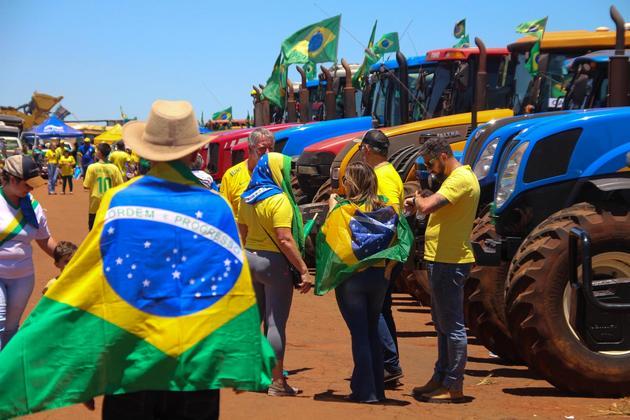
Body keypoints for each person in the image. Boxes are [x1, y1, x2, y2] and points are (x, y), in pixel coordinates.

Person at [404, 137, 479, 403]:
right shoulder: (454, 179)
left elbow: (426, 206)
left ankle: (453, 383)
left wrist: (417, 199)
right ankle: (441, 377)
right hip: (442, 259)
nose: (431, 169)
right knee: (442, 324)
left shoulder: (460, 179)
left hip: (450, 260)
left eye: (431, 163)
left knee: (452, 326)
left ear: (444, 155)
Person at [238, 152, 312, 397]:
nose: (291, 177)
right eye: (287, 171)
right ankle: (277, 382)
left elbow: (243, 232)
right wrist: (303, 269)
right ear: (275, 172)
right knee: (275, 323)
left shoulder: (246, 197)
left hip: (250, 259)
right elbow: (285, 239)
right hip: (273, 264)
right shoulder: (278, 200)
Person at [325, 162, 396, 403]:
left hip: (352, 278)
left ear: (351, 183)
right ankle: (376, 388)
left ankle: (365, 392)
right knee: (372, 330)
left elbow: (330, 235)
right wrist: (389, 269)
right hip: (378, 276)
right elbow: (401, 239)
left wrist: (333, 202)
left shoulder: (344, 208)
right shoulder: (384, 207)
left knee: (360, 334)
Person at [357, 129, 405, 385]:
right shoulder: (384, 173)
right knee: (381, 308)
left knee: (373, 309)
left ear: (367, 149)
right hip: (385, 251)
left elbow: (389, 216)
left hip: (383, 252)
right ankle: (389, 364)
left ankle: (389, 363)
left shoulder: (383, 176)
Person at [0, 155, 56, 349]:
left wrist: (68, 258)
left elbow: (44, 239)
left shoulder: (32, 206)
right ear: (13, 179)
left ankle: (4, 372)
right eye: (28, 184)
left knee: (11, 328)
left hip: (22, 277)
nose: (32, 189)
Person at [219, 127, 274, 220]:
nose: (267, 153)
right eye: (262, 148)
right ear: (250, 149)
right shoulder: (231, 176)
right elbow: (223, 211)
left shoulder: (276, 172)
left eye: (271, 148)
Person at [83, 143, 124, 230]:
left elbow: (86, 185)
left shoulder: (92, 167)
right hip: (109, 202)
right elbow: (120, 185)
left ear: (99, 153)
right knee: (108, 229)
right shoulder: (114, 168)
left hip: (95, 202)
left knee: (93, 230)